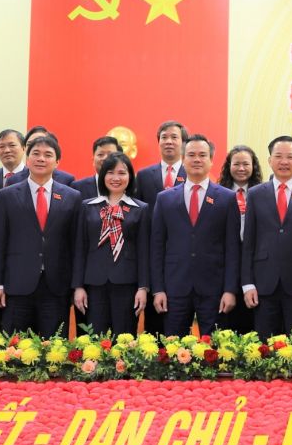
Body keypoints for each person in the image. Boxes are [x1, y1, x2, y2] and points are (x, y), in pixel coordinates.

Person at [0, 133, 81, 335]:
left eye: (48, 155)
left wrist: (76, 285)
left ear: (57, 162)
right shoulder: (6, 195)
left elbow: (75, 245)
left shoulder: (72, 197)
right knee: (15, 346)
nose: (41, 159)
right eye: (36, 154)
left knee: (54, 346)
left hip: (56, 287)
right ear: (27, 159)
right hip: (16, 285)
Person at [146, 135, 240, 336]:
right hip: (174, 287)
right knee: (174, 348)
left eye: (202, 155)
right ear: (183, 159)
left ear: (211, 160)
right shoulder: (165, 199)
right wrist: (158, 289)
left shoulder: (227, 198)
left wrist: (230, 290)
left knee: (214, 347)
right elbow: (156, 248)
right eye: (191, 155)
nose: (197, 159)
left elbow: (232, 248)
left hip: (214, 289)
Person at [241, 136, 292, 337]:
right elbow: (249, 243)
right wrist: (247, 284)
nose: (284, 162)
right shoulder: (255, 194)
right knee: (265, 347)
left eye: (290, 157)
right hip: (263, 285)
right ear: (269, 160)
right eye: (278, 156)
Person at [72, 152, 148, 337]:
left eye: (122, 173)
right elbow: (80, 248)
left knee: (124, 340)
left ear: (130, 176)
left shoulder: (141, 209)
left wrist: (143, 288)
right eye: (110, 172)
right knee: (94, 340)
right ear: (102, 175)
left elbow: (144, 251)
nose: (116, 178)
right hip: (94, 284)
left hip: (127, 284)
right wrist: (78, 286)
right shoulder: (87, 206)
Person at [219, 144, 264, 332]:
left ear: (254, 166)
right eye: (236, 164)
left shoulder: (262, 193)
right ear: (228, 166)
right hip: (226, 263)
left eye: (246, 164)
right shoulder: (219, 193)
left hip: (254, 264)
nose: (241, 168)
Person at [4, 126, 76, 188]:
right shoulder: (13, 180)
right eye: (30, 144)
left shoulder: (66, 180)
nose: (41, 158)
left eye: (42, 142)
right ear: (24, 148)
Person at [135, 120, 188, 196]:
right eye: (164, 137)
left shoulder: (191, 175)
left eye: (174, 137)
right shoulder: (143, 175)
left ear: (183, 143)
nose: (168, 141)